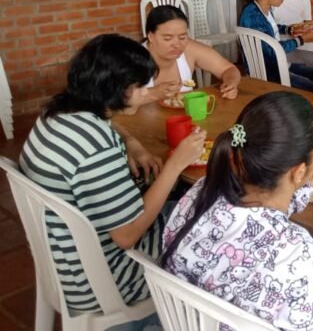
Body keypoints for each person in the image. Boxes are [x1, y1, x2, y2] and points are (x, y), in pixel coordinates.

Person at [162, 91, 313, 330]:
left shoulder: (200, 192)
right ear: (297, 171)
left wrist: (308, 184)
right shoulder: (299, 256)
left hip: (195, 321)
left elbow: (259, 220)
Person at [20, 34, 206, 320]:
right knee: (210, 226)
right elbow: (127, 235)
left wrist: (131, 142)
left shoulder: (56, 113)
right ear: (117, 89)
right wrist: (176, 165)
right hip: (108, 276)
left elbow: (107, 131)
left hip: (65, 258)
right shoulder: (96, 147)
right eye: (141, 86)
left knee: (184, 204)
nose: (148, 92)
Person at [239, 0, 313, 93]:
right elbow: (273, 49)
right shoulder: (253, 16)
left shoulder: (261, 9)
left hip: (279, 66)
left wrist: (290, 29)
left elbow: (269, 28)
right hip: (269, 74)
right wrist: (302, 39)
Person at [144, 5, 241, 101]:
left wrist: (230, 84)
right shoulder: (133, 58)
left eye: (182, 37)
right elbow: (128, 102)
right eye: (167, 38)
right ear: (151, 37)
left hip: (187, 116)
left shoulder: (190, 49)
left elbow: (228, 69)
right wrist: (152, 93)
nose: (177, 44)